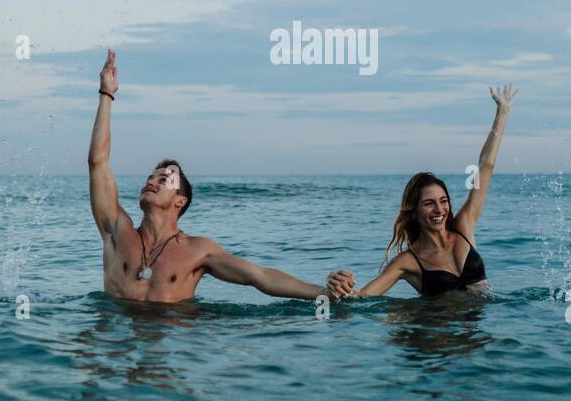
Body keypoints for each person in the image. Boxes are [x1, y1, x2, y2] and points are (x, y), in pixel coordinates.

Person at [89, 48, 339, 304]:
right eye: (150, 178)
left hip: (174, 333)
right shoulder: (118, 231)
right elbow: (98, 162)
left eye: (164, 180)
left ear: (180, 201)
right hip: (117, 339)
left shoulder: (197, 251)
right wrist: (106, 94)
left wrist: (322, 293)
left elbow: (260, 276)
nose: (151, 181)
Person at [326, 85, 517, 299]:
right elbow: (362, 296)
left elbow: (486, 166)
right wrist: (338, 284)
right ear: (414, 210)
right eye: (429, 203)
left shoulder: (463, 227)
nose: (439, 209)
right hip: (436, 329)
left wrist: (503, 112)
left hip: (480, 328)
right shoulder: (408, 261)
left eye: (443, 201)